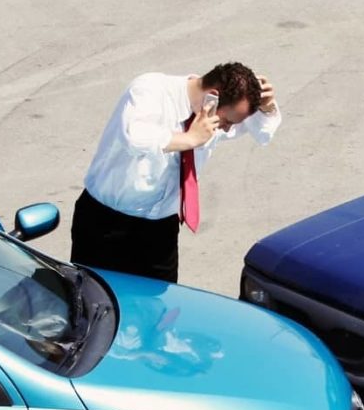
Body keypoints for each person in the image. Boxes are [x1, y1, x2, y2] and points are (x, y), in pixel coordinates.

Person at [71, 62, 281, 283]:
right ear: (213, 97)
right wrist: (189, 139)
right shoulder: (150, 89)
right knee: (93, 306)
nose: (227, 129)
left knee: (161, 310)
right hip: (106, 225)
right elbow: (134, 137)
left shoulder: (210, 117)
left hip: (160, 231)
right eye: (227, 121)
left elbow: (263, 134)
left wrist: (267, 108)